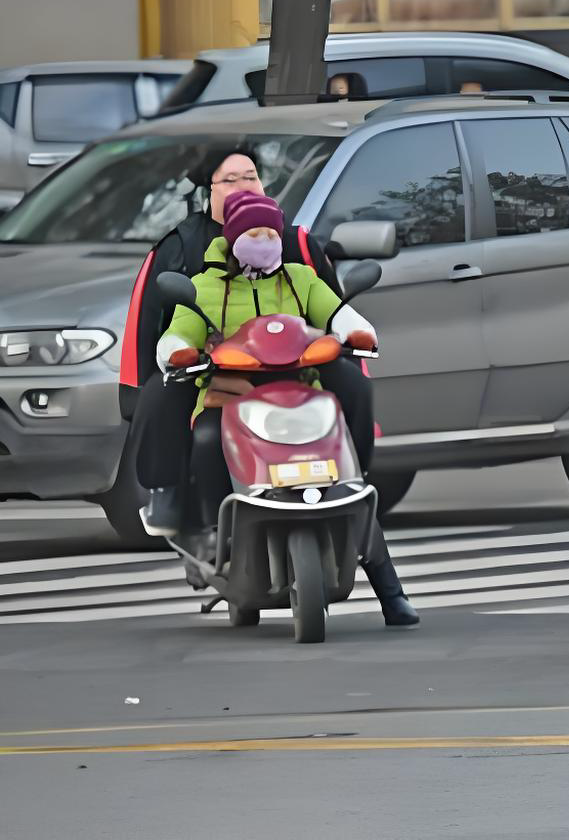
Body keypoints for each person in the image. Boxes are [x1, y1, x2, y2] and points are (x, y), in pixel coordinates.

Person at [122, 146, 417, 626]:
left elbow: (335, 310)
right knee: (206, 437)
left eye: (269, 234)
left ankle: (390, 588)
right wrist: (179, 353)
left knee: (348, 457)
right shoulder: (205, 283)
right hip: (231, 390)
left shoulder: (299, 272)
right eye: (252, 234)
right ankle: (213, 531)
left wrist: (354, 332)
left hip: (301, 385)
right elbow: (176, 331)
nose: (263, 242)